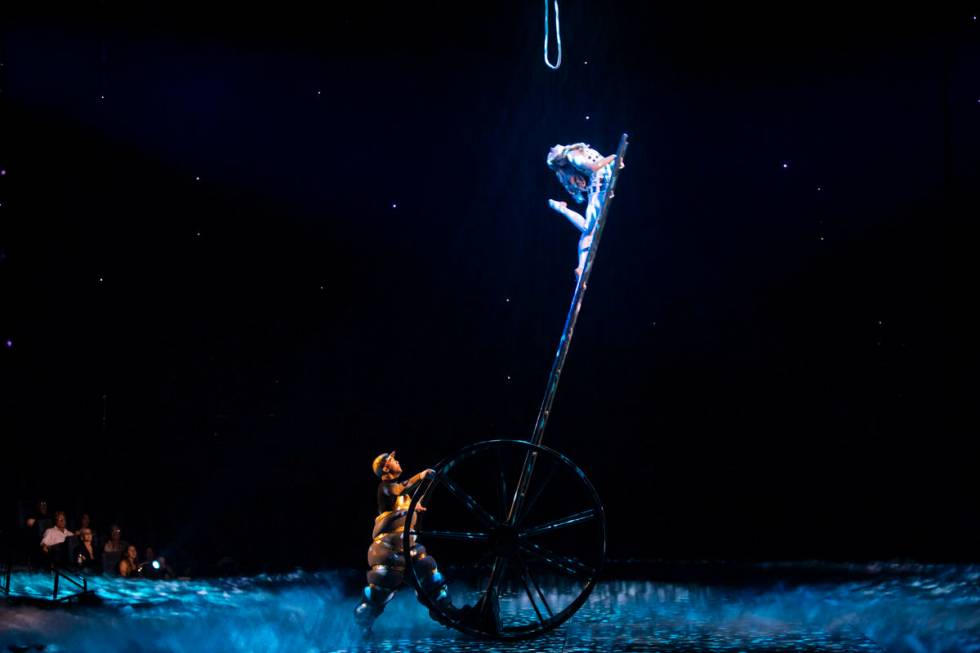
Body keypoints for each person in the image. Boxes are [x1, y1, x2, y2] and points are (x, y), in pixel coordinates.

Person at [353, 450, 455, 632]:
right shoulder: (386, 487)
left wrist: (417, 505)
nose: (398, 461)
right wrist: (422, 476)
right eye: (393, 460)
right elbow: (402, 488)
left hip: (410, 548)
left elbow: (409, 504)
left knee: (430, 577)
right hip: (388, 550)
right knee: (381, 589)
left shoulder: (404, 498)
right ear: (386, 467)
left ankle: (450, 614)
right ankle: (362, 624)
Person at [546, 143, 622, 277]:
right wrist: (614, 157)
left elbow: (600, 164)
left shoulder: (576, 151)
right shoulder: (572, 156)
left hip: (601, 188)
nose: (551, 148)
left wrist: (614, 164)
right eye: (551, 152)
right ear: (559, 159)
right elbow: (595, 167)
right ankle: (561, 208)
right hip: (599, 191)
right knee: (588, 230)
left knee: (588, 231)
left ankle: (581, 267)